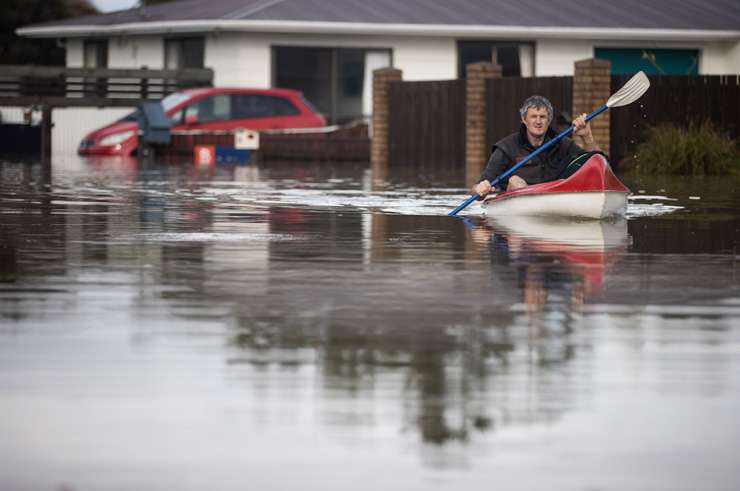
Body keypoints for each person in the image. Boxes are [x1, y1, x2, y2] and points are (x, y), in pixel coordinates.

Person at [473, 95, 600, 197]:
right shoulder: (505, 148)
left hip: (555, 199)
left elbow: (597, 165)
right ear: (524, 119)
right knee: (515, 181)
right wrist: (480, 189)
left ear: (549, 120)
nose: (538, 121)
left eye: (543, 117)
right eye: (533, 116)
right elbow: (477, 189)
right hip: (518, 203)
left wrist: (587, 137)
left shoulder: (563, 144)